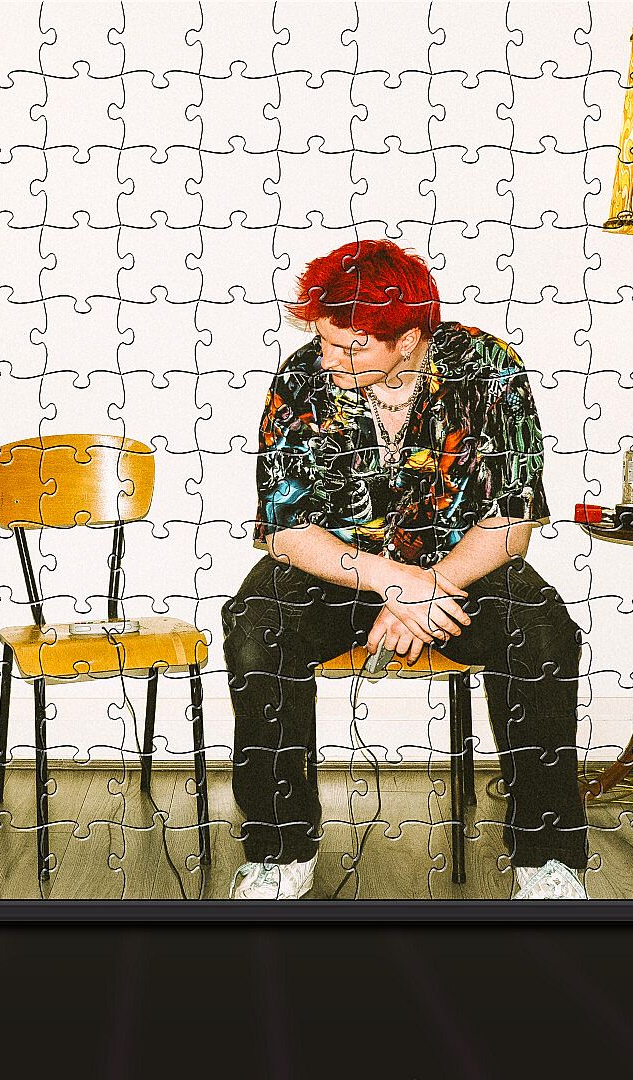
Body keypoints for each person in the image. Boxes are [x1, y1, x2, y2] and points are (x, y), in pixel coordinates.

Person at [223, 239, 588, 900]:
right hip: (340, 571)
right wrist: (394, 582)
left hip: (461, 570)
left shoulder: (490, 371)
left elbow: (512, 521)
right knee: (255, 624)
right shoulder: (302, 379)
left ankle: (546, 859)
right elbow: (285, 532)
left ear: (409, 339)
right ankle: (280, 851)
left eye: (350, 347)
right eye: (324, 341)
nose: (327, 359)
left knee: (541, 629)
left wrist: (430, 587)